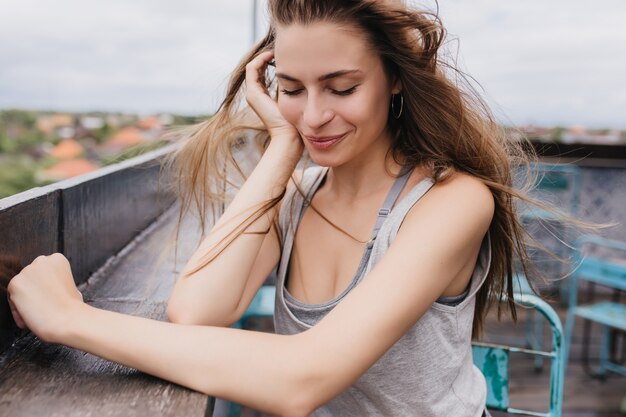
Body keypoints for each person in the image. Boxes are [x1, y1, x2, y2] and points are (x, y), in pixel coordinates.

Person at [7, 1, 534, 416]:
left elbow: (301, 379)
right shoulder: (297, 196)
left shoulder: (452, 201)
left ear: (395, 78)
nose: (314, 115)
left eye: (342, 87)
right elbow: (196, 312)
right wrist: (282, 149)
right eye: (290, 88)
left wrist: (72, 320)